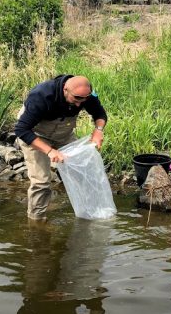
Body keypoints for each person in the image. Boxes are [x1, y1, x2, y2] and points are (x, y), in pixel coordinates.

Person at [15, 75, 107, 221]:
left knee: (84, 170)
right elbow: (21, 130)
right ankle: (36, 221)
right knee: (41, 182)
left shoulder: (85, 95)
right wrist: (50, 151)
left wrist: (98, 130)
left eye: (83, 100)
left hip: (64, 134)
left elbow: (100, 113)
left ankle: (89, 213)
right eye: (76, 99)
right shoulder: (41, 95)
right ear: (65, 90)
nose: (79, 104)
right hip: (36, 134)